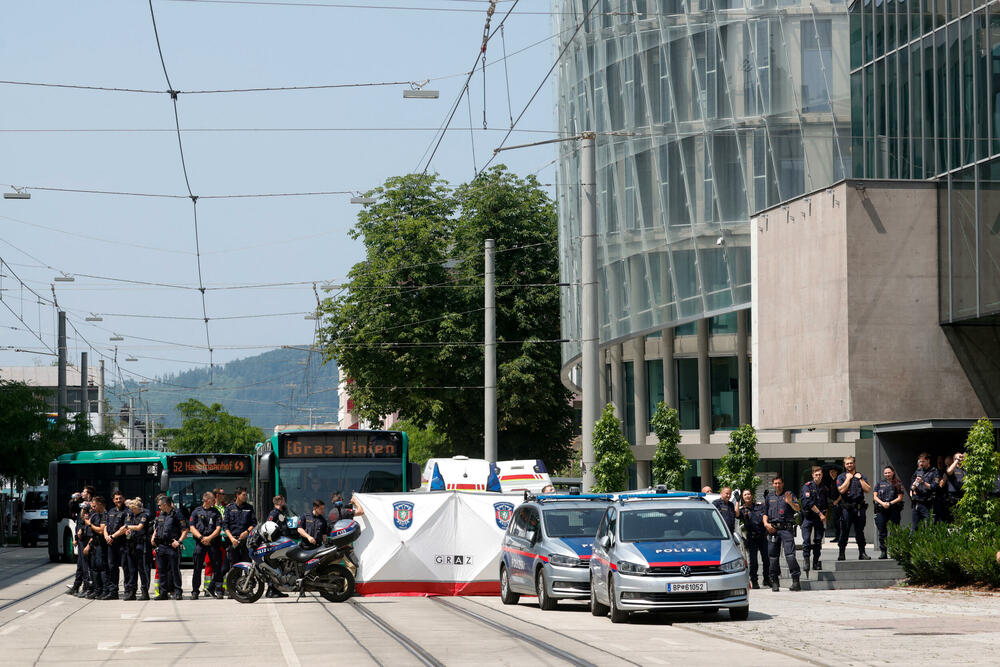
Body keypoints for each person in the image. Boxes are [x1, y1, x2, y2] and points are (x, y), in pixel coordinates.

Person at [762, 475, 801, 591]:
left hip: (786, 529)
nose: (777, 485)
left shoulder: (789, 495)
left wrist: (790, 503)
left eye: (779, 483)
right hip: (773, 529)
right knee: (773, 557)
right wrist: (766, 524)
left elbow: (798, 509)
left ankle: (795, 581)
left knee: (790, 555)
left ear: (782, 484)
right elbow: (765, 513)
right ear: (773, 484)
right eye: (775, 483)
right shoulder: (769, 497)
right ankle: (774, 581)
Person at [151, 495, 188, 600]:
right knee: (162, 570)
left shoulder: (177, 514)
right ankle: (163, 593)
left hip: (171, 546)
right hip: (161, 546)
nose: (159, 507)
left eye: (160, 505)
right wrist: (153, 537)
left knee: (174, 570)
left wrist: (179, 541)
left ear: (165, 504)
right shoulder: (161, 515)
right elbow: (157, 527)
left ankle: (177, 592)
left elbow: (185, 530)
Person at [836, 456, 872, 561]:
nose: (849, 465)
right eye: (847, 463)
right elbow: (841, 490)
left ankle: (862, 553)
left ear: (854, 463)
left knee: (860, 531)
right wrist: (848, 479)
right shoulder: (841, 477)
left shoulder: (861, 476)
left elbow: (868, 489)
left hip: (859, 508)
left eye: (851, 463)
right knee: (845, 531)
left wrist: (859, 479)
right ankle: (841, 553)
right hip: (847, 509)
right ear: (844, 465)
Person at [189, 491, 222, 599]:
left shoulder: (216, 512)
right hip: (200, 543)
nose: (214, 501)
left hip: (213, 542)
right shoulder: (196, 512)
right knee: (197, 568)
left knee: (217, 567)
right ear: (207, 500)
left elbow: (218, 528)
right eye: (213, 499)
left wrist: (209, 538)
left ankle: (218, 590)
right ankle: (195, 591)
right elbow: (192, 527)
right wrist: (201, 538)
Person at [799, 466, 829, 573]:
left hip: (819, 519)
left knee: (818, 541)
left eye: (820, 474)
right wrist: (820, 513)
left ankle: (816, 562)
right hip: (808, 517)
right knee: (806, 540)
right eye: (816, 475)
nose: (818, 476)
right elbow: (809, 502)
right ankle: (806, 561)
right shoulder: (807, 487)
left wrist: (825, 516)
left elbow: (826, 504)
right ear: (812, 475)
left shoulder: (824, 488)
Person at [739, 489, 770, 590]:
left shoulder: (759, 505)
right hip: (751, 538)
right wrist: (737, 501)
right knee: (753, 561)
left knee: (766, 560)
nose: (747, 496)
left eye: (749, 494)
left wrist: (767, 498)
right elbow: (736, 514)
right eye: (745, 495)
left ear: (751, 496)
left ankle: (766, 579)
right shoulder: (742, 509)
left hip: (762, 536)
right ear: (743, 497)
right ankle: (754, 581)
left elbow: (767, 510)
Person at [103, 490, 131, 600]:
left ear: (123, 499)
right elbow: (105, 525)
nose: (118, 500)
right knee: (112, 567)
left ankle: (128, 591)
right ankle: (113, 591)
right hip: (111, 544)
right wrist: (106, 536)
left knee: (126, 567)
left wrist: (113, 536)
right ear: (113, 500)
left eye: (120, 498)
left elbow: (125, 527)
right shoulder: (110, 511)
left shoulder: (127, 512)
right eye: (116, 499)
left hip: (123, 544)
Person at [872, 466, 904, 559]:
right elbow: (875, 496)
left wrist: (890, 503)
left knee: (894, 531)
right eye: (885, 473)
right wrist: (883, 503)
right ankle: (883, 552)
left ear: (893, 472)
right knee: (882, 532)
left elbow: (900, 497)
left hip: (893, 509)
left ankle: (895, 551)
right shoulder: (879, 483)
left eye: (889, 472)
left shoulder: (898, 483)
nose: (887, 474)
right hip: (881, 510)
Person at [123, 498, 152, 600]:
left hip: (141, 544)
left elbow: (139, 527)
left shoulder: (144, 515)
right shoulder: (131, 515)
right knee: (132, 569)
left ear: (136, 508)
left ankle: (145, 591)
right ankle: (132, 592)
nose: (131, 511)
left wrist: (128, 527)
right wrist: (127, 531)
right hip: (131, 544)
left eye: (132, 509)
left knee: (142, 569)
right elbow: (129, 527)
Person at [265, 495, 293, 599]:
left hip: (283, 542)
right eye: (284, 500)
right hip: (277, 544)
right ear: (280, 501)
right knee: (276, 566)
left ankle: (273, 590)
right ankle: (272, 590)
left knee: (280, 566)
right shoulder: (274, 513)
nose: (285, 502)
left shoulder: (281, 513)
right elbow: (269, 526)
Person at [224, 487, 257, 572]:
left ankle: (246, 584)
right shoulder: (229, 508)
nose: (246, 496)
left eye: (246, 495)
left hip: (245, 542)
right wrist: (232, 539)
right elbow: (225, 526)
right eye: (244, 495)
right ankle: (234, 584)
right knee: (234, 567)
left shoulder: (249, 508)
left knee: (247, 565)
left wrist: (247, 532)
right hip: (233, 541)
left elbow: (253, 523)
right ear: (237, 495)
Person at [85, 496, 111, 599]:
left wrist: (90, 525)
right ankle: (97, 590)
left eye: (94, 505)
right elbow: (93, 534)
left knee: (102, 568)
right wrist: (88, 545)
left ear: (100, 504)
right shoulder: (95, 515)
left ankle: (105, 590)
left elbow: (101, 530)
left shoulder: (106, 515)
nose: (93, 507)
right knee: (94, 568)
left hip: (102, 545)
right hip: (95, 545)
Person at [910, 452, 939, 529]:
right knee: (914, 527)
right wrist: (914, 484)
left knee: (928, 527)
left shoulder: (934, 472)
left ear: (928, 461)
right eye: (920, 461)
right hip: (917, 502)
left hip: (927, 503)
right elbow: (912, 487)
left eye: (923, 461)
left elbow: (934, 487)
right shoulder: (918, 471)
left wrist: (923, 482)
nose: (921, 463)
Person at [940, 453, 965, 523]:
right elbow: (949, 471)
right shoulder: (952, 468)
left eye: (961, 458)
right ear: (954, 459)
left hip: (963, 497)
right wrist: (957, 460)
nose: (961, 459)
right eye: (959, 458)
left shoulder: (964, 469)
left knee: (962, 519)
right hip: (953, 498)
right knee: (953, 519)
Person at [824, 468, 841, 543]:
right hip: (834, 504)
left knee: (838, 521)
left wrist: (837, 501)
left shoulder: (839, 481)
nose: (832, 473)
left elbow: (842, 493)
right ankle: (837, 536)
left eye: (833, 472)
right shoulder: (832, 481)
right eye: (830, 472)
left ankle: (840, 537)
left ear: (836, 472)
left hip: (839, 504)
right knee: (835, 521)